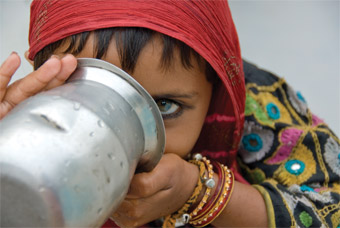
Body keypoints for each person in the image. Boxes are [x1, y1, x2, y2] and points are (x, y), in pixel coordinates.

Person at [0, 0, 339, 227]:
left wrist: (201, 192)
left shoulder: (254, 105)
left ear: (216, 89)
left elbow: (331, 210)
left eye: (164, 106)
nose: (121, 136)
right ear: (42, 69)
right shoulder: (24, 121)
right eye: (88, 91)